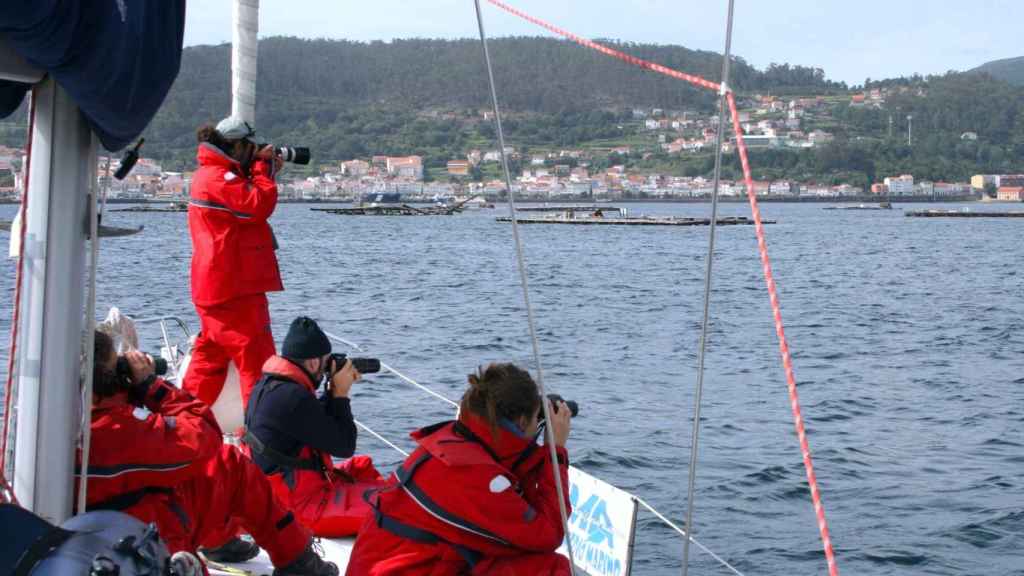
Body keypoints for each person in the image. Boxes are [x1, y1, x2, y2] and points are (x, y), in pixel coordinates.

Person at [79, 331, 338, 576]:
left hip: (92, 530)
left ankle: (220, 540)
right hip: (140, 538)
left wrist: (124, 395)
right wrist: (150, 386)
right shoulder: (114, 431)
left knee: (220, 466)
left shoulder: (62, 424)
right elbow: (203, 435)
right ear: (105, 378)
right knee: (229, 464)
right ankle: (296, 560)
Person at [345, 363, 573, 576]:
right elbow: (548, 534)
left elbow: (511, 496)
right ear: (522, 422)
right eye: (535, 419)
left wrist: (530, 448)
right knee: (552, 567)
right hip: (405, 568)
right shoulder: (475, 476)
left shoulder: (454, 443)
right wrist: (556, 453)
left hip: (384, 564)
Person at [244, 317, 389, 537]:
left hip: (277, 494)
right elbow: (344, 445)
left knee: (363, 468)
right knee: (393, 509)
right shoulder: (293, 397)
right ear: (313, 363)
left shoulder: (273, 386)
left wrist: (332, 391)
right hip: (295, 508)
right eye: (326, 362)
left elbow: (313, 422)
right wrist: (340, 395)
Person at [184, 116, 283, 409]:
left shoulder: (208, 175)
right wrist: (263, 169)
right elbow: (257, 207)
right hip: (234, 290)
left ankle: (183, 424)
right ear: (236, 145)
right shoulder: (218, 178)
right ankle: (258, 438)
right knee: (257, 363)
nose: (254, 151)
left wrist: (257, 171)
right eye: (250, 146)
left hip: (214, 287)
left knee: (209, 360)